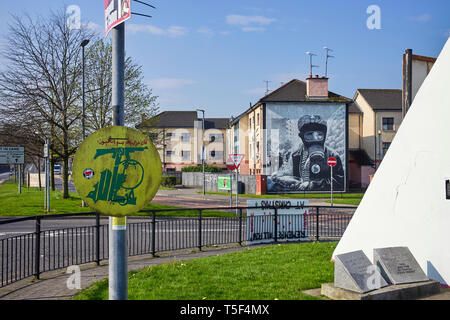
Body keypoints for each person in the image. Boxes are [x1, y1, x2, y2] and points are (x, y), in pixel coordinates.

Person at [273, 115, 344, 191]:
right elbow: (292, 175)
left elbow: (339, 181)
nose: (315, 139)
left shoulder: (332, 155)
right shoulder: (296, 156)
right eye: (309, 135)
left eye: (319, 134)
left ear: (325, 135)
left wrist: (312, 184)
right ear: (301, 136)